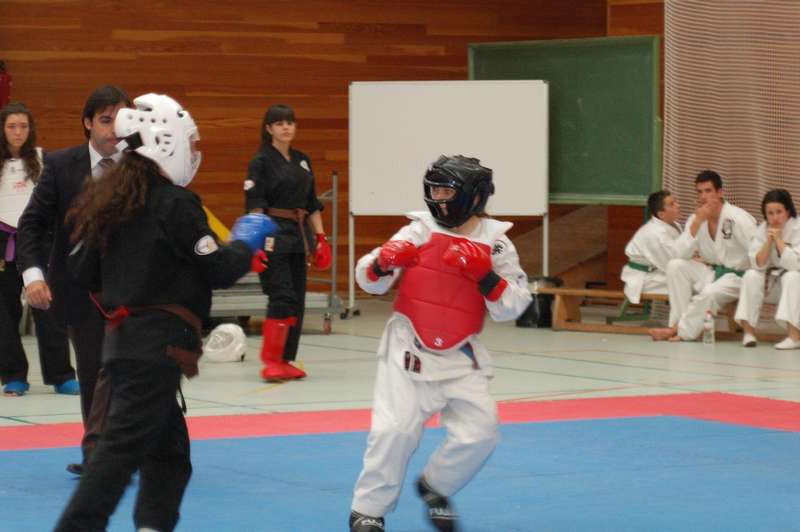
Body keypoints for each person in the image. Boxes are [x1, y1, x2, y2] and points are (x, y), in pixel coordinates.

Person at [54, 93, 277, 532]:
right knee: (116, 455)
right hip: (155, 347)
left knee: (170, 455)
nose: (193, 153)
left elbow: (82, 269)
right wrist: (245, 243)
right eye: (189, 143)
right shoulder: (175, 203)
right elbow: (217, 268)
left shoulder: (114, 200)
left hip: (127, 342)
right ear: (166, 142)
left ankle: (152, 526)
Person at [349, 155, 532, 532]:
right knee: (393, 431)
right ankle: (368, 510)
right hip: (407, 348)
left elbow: (514, 305)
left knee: (481, 431)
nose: (440, 198)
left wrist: (485, 277)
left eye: (447, 190)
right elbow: (368, 278)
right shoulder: (418, 229)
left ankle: (435, 486)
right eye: (435, 189)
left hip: (461, 353)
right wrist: (383, 261)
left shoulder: (496, 244)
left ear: (473, 196)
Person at [16, 85, 132, 474]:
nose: (114, 128)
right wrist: (33, 276)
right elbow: (31, 224)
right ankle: (98, 454)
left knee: (136, 371)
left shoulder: (143, 165)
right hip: (81, 291)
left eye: (121, 118)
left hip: (136, 289)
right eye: (105, 119)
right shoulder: (62, 165)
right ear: (87, 123)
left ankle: (134, 448)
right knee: (94, 370)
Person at [244, 103, 332, 382]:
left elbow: (312, 204)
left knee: (296, 300)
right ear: (269, 129)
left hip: (298, 235)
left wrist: (320, 238)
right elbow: (255, 205)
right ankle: (271, 360)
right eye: (279, 123)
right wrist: (255, 245)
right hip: (271, 233)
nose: (286, 127)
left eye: (290, 122)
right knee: (281, 296)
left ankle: (286, 359)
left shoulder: (303, 160)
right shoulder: (260, 162)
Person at [0, 102, 77, 396]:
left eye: (23, 126)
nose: (18, 132)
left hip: (38, 240)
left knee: (48, 308)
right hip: (2, 243)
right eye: (11, 127)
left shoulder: (43, 159)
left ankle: (61, 375)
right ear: (2, 130)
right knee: (4, 315)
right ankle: (13, 375)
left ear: (30, 130)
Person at [649, 170, 757, 342]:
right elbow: (679, 253)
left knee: (709, 292)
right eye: (699, 192)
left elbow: (757, 252)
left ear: (720, 192)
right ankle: (676, 324)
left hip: (738, 277)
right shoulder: (696, 218)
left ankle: (680, 332)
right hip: (712, 272)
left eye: (708, 191)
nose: (703, 196)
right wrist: (698, 221)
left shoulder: (738, 218)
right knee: (675, 266)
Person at [734, 189, 800, 349]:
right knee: (751, 275)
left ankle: (794, 335)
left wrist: (778, 240)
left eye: (779, 212)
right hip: (772, 283)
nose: (774, 217)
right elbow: (757, 262)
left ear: (788, 211)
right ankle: (749, 333)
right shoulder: (763, 229)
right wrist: (768, 241)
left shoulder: (798, 228)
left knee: (792, 276)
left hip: (795, 284)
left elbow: (796, 264)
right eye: (770, 213)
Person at [620, 190, 682, 305]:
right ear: (661, 214)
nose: (678, 205)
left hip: (658, 272)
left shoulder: (674, 225)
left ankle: (689, 319)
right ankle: (683, 321)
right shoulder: (655, 234)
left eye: (676, 202)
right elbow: (670, 264)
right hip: (645, 279)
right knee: (688, 283)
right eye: (672, 204)